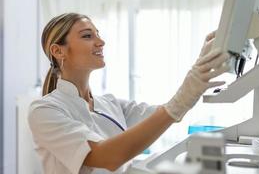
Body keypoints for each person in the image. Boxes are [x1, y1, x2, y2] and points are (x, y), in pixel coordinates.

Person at [28, 13, 229, 174]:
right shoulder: (44, 110)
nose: (101, 42)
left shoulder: (111, 104)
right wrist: (183, 96)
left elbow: (164, 114)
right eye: (88, 36)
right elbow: (106, 157)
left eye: (98, 34)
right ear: (58, 51)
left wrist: (198, 69)